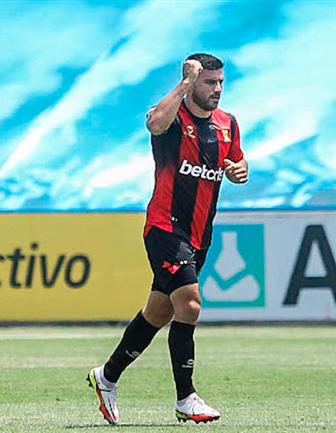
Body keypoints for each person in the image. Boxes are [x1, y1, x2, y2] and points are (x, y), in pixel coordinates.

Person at [86, 53, 248, 424]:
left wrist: (240, 171)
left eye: (220, 82)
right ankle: (186, 397)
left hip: (199, 235)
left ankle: (106, 376)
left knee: (158, 312)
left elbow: (238, 163)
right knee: (189, 305)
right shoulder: (174, 114)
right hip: (164, 226)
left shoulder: (227, 124)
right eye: (209, 82)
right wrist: (184, 84)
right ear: (193, 82)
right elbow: (155, 125)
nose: (217, 89)